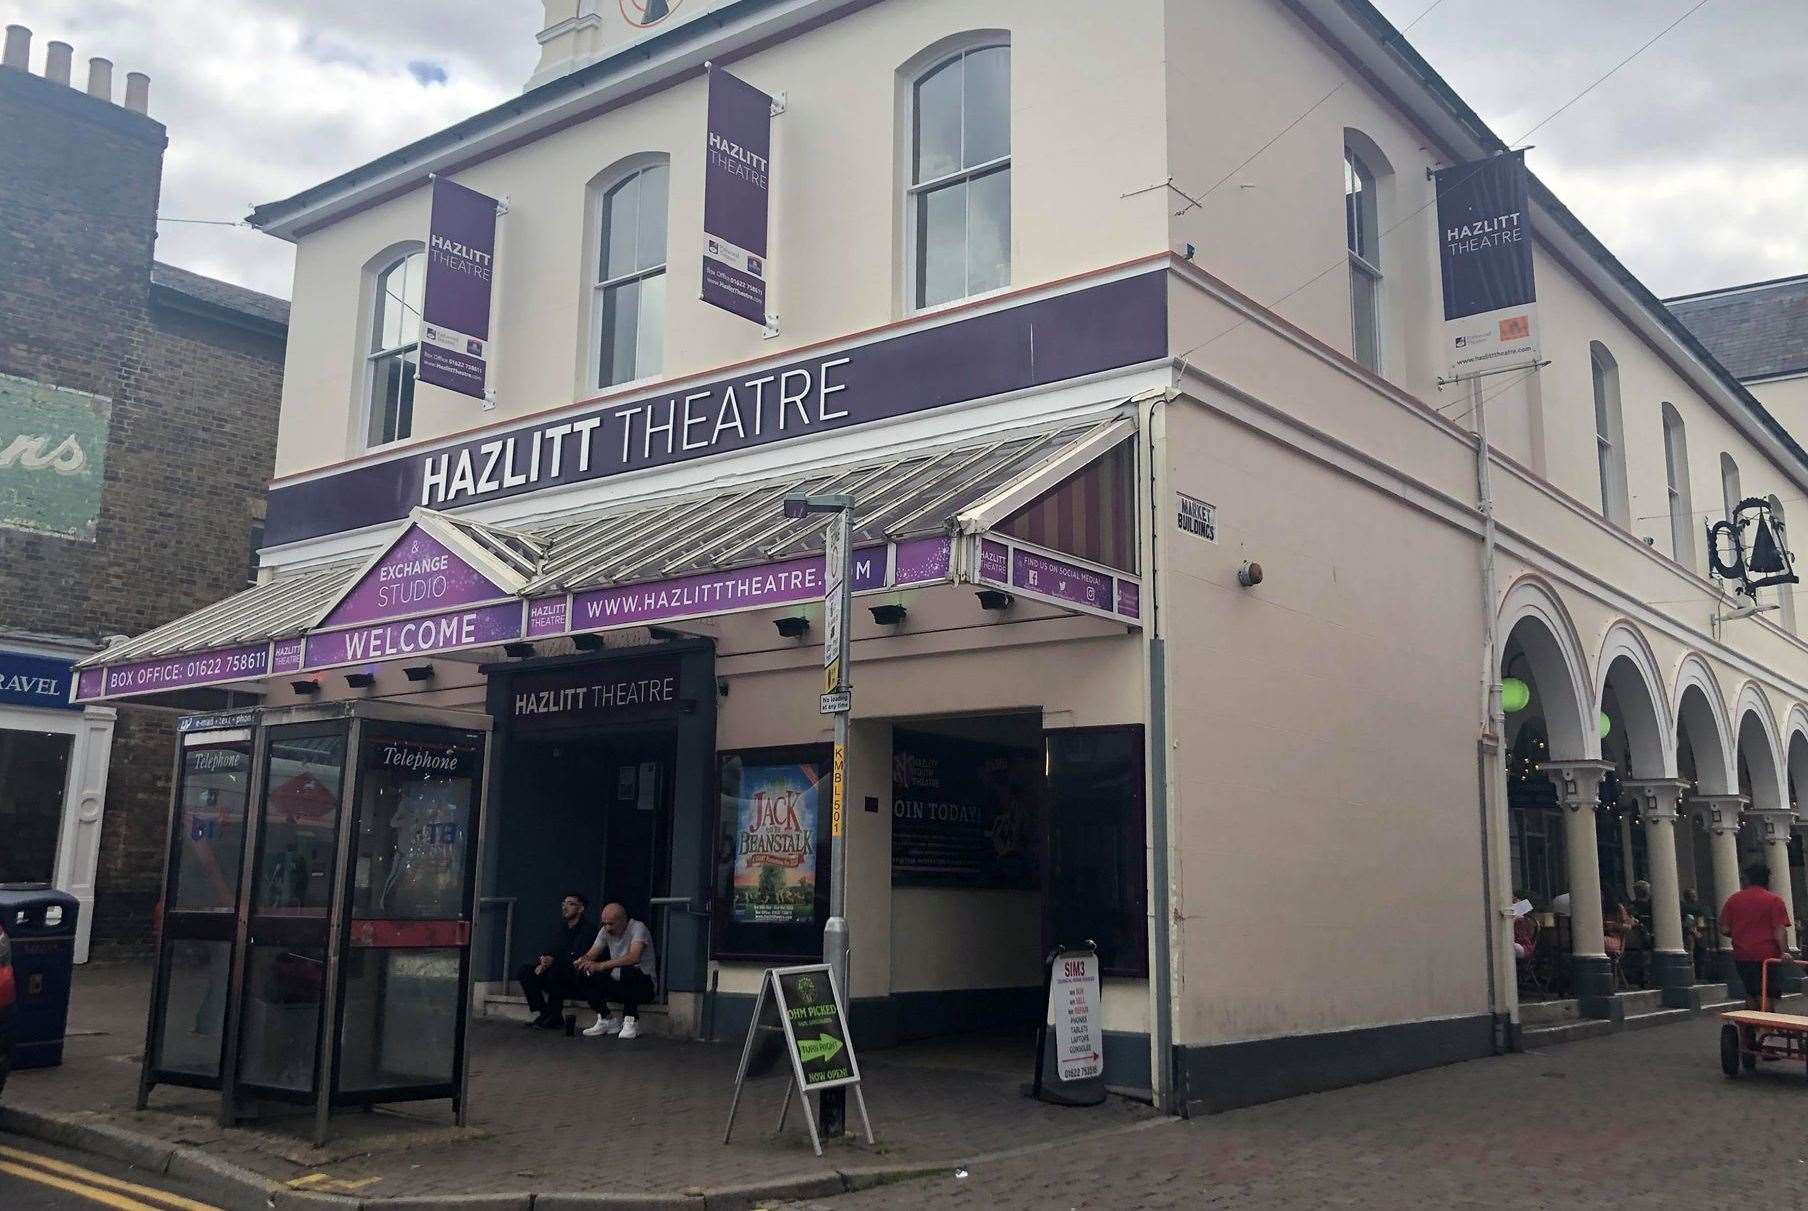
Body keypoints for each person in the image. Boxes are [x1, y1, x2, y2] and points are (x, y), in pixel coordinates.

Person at [575, 902, 659, 1040]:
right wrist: (583, 960)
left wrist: (602, 965)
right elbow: (592, 953)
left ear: (623, 921)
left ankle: (631, 1020)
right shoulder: (604, 931)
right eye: (604, 923)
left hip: (643, 986)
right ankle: (606, 1019)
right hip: (619, 985)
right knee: (584, 971)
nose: (607, 928)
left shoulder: (638, 928)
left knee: (629, 970)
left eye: (611, 924)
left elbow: (634, 957)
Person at [517, 892, 595, 1030]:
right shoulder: (561, 928)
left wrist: (553, 962)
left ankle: (554, 1015)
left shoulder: (588, 930)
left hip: (576, 978)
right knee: (525, 971)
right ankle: (545, 1013)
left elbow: (577, 956)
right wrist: (543, 961)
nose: (565, 907)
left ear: (581, 908)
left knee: (556, 972)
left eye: (570, 904)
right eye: (564, 904)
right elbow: (551, 949)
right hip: (556, 972)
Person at [1721, 864, 1793, 1011]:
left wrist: (1741, 933)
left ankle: (1749, 1028)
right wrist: (1784, 952)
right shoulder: (1774, 900)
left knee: (1751, 991)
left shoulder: (1734, 900)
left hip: (1742, 954)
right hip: (1768, 955)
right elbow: (1779, 929)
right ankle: (1766, 1029)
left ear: (1747, 880)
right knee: (1766, 993)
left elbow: (1725, 928)